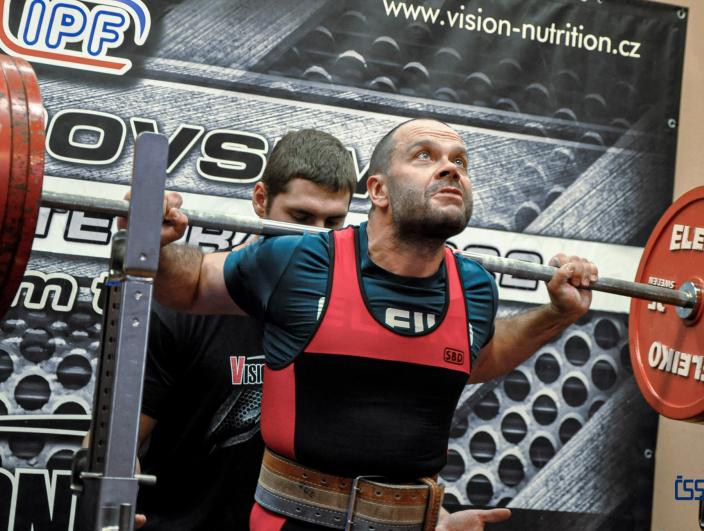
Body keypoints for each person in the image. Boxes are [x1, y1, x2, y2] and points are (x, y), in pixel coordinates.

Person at [145, 118, 597, 531]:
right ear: (378, 191)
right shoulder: (301, 259)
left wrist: (558, 313)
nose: (449, 168)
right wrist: (152, 242)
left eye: (459, 161)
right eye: (425, 156)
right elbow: (191, 284)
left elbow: (480, 356)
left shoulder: (475, 286)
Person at [134, 129, 356, 531]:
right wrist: (113, 490)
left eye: (333, 222)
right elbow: (114, 443)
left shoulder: (346, 316)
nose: (317, 237)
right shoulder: (184, 308)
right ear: (260, 199)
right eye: (301, 218)